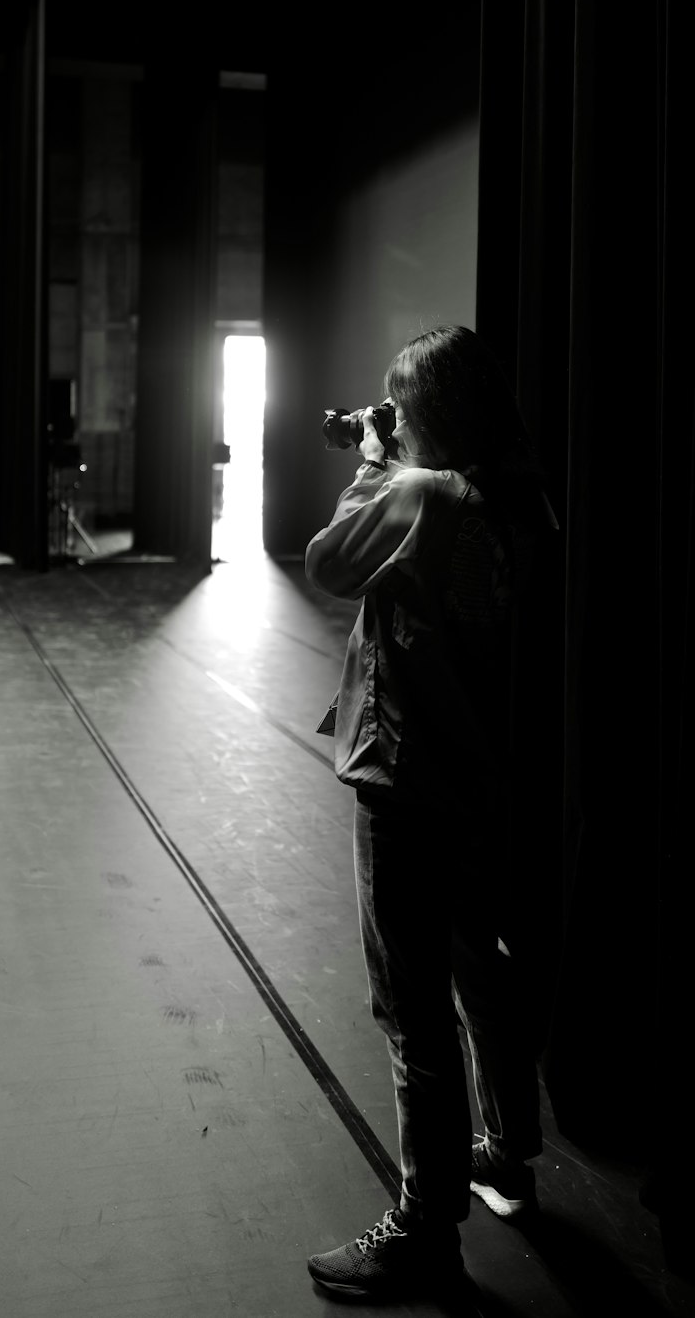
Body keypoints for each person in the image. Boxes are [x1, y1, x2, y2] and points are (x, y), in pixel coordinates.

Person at [304, 326, 556, 1302]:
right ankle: (507, 1145)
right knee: (472, 963)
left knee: (409, 1011)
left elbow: (330, 562)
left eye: (397, 408)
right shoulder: (517, 499)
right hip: (480, 774)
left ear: (426, 420)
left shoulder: (411, 492)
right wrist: (380, 441)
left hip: (402, 779)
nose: (385, 422)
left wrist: (371, 462)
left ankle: (423, 1228)